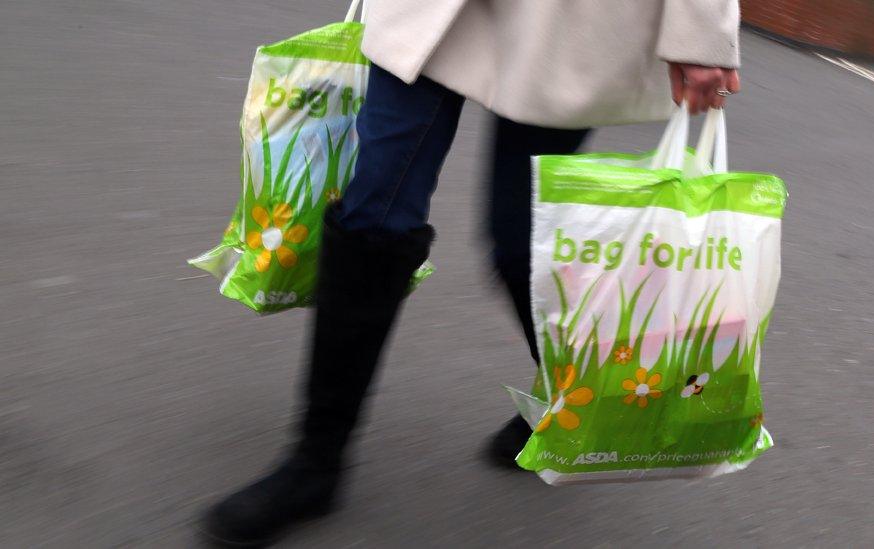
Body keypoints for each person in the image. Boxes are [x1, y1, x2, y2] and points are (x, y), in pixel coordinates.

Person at [203, 0, 742, 545]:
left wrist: (703, 38)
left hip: (572, 23)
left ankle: (576, 396)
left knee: (520, 243)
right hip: (431, 14)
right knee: (373, 213)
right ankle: (314, 462)